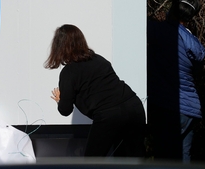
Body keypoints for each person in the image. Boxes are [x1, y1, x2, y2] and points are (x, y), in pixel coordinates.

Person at [45, 24, 146, 157]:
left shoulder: (69, 72)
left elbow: (65, 110)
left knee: (92, 162)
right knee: (132, 161)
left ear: (60, 46)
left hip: (109, 115)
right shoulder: (99, 59)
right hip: (134, 107)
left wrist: (60, 100)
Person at [147, 0, 205, 162]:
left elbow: (136, 27)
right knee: (183, 159)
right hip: (191, 108)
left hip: (168, 105)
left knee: (164, 158)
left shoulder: (160, 30)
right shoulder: (192, 41)